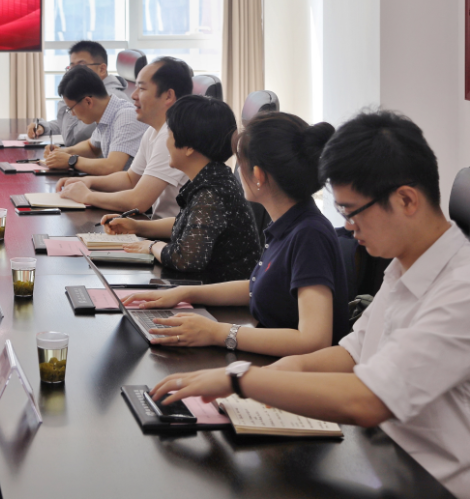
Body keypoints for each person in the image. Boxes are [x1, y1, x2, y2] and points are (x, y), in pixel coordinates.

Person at [151, 111, 470, 498]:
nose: (347, 227)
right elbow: (351, 353)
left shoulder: (461, 291)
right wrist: (285, 372)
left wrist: (241, 380)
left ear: (406, 200)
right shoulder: (403, 269)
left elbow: (370, 400)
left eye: (352, 212)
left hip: (431, 482)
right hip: (381, 459)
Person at [122, 111, 349, 354]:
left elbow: (314, 340)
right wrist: (184, 293)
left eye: (241, 163)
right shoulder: (289, 223)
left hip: (290, 369)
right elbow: (258, 287)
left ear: (258, 175)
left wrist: (218, 333)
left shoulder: (309, 235)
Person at [103, 94, 261, 283]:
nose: (166, 142)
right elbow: (188, 224)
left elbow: (186, 259)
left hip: (217, 296)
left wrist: (152, 246)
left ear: (188, 148)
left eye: (169, 133)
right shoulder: (212, 177)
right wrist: (137, 226)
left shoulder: (211, 192)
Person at [56, 56, 192, 222]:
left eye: (142, 89)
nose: (133, 95)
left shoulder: (171, 135)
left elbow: (138, 201)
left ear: (168, 96)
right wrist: (88, 181)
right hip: (157, 226)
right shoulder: (153, 130)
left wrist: (87, 196)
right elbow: (130, 179)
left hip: (172, 233)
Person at [38, 65, 146, 175]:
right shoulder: (107, 114)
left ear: (88, 102)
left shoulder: (126, 117)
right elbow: (91, 147)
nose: (72, 114)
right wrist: (63, 152)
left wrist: (71, 160)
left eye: (72, 108)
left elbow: (112, 166)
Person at [27, 41, 131, 147]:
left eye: (81, 66)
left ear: (102, 69)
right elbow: (75, 120)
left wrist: (68, 93)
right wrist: (43, 127)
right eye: (72, 67)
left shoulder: (106, 100)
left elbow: (72, 138)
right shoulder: (93, 93)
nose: (73, 72)